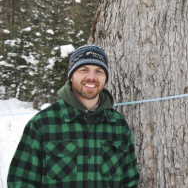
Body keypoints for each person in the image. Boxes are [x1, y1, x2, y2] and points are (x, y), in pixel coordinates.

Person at [8, 44, 140, 187]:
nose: (91, 77)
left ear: (105, 78)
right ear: (71, 76)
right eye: (84, 70)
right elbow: (21, 181)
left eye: (99, 71)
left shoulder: (118, 124)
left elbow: (130, 180)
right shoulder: (43, 123)